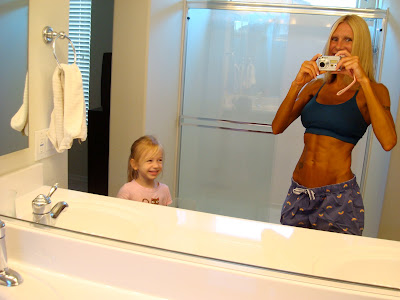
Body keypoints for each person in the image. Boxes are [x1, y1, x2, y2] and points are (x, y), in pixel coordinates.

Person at [272, 15, 397, 235]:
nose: (339, 46)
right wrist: (297, 84)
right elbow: (277, 126)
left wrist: (363, 80)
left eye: (348, 40)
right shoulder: (316, 87)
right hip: (299, 192)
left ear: (361, 46)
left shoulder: (375, 91)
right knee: (291, 263)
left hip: (337, 197)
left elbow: (388, 142)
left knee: (332, 267)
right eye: (335, 39)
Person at [117, 135, 172, 206]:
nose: (156, 166)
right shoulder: (127, 191)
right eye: (150, 160)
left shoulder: (165, 190)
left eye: (159, 160)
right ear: (134, 164)